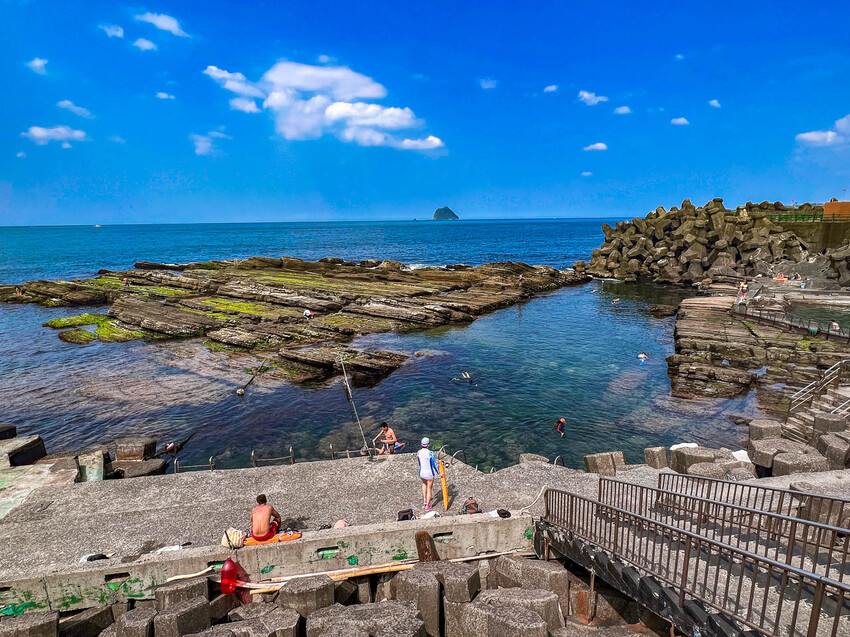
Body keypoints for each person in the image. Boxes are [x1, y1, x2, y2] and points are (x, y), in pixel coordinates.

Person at [417, 438, 440, 511]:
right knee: (429, 489)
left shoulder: (418, 452)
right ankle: (427, 506)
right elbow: (434, 465)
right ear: (428, 445)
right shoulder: (430, 453)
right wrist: (439, 473)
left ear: (421, 444)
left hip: (421, 472)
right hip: (429, 473)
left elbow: (419, 463)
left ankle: (425, 500)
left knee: (424, 484)